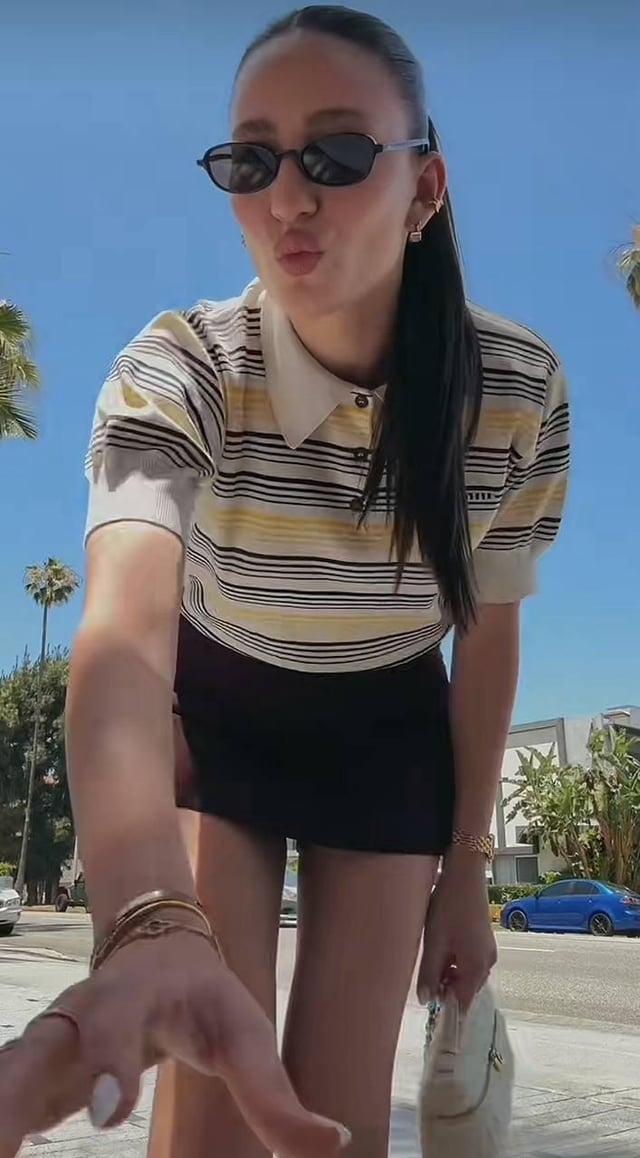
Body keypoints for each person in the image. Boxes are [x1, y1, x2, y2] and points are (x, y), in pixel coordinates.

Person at [0, 6, 570, 1158]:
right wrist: (146, 914)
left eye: (337, 152)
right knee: (207, 1109)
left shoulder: (515, 391)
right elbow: (122, 635)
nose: (288, 197)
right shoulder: (179, 368)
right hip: (222, 710)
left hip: (388, 726)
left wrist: (466, 874)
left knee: (335, 1127)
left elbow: (488, 637)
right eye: (252, 160)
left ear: (425, 188)